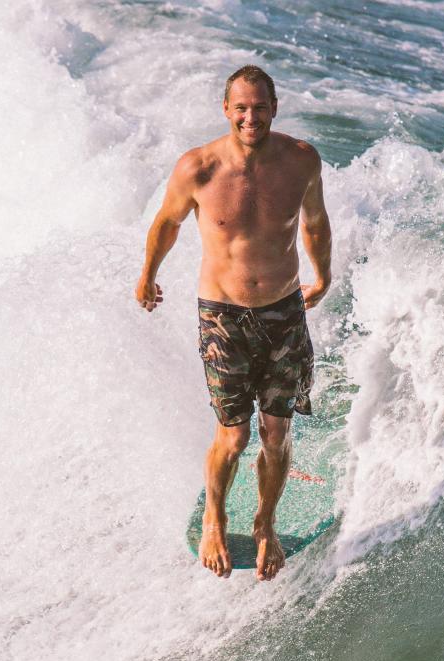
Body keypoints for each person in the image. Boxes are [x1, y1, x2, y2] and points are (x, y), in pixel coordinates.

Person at [135, 65, 331, 582]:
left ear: (274, 108)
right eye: (241, 107)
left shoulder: (302, 161)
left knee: (276, 431)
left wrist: (324, 275)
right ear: (226, 109)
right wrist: (148, 276)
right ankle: (215, 521)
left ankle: (265, 523)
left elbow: (314, 222)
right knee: (235, 434)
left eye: (260, 107)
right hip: (222, 315)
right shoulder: (198, 168)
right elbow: (166, 223)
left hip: (283, 311)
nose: (250, 117)